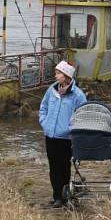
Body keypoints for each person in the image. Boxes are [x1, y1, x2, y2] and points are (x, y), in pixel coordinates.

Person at [39, 60, 87, 208]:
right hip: (50, 135)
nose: (56, 75)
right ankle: (56, 196)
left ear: (66, 76)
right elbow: (43, 107)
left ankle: (64, 196)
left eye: (58, 73)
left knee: (64, 167)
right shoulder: (51, 90)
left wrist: (70, 129)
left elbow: (82, 116)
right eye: (56, 73)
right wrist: (44, 122)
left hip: (66, 138)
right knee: (53, 167)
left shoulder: (78, 95)